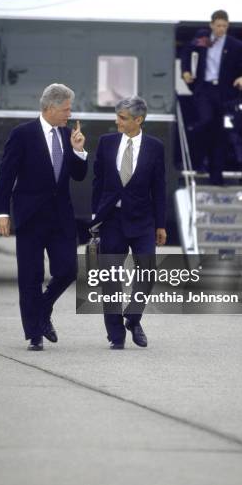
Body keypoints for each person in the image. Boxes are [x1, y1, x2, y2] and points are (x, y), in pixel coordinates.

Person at [0, 83, 87, 351]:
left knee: (68, 269)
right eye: (66, 109)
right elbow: (6, 175)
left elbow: (78, 175)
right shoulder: (22, 134)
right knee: (30, 277)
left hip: (61, 218)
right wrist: (1, 211)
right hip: (30, 217)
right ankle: (34, 333)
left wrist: (79, 150)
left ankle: (43, 309)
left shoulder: (69, 134)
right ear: (50, 107)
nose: (69, 114)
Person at [92, 96, 167, 349]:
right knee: (111, 279)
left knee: (147, 273)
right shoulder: (106, 142)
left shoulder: (155, 147)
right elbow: (98, 182)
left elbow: (159, 188)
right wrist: (96, 216)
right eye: (117, 116)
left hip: (143, 221)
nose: (117, 121)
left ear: (139, 120)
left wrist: (161, 225)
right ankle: (116, 336)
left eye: (122, 118)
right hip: (111, 221)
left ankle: (133, 318)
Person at [181, 9, 242, 185]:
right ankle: (199, 160)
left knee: (220, 133)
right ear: (211, 25)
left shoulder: (236, 45)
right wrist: (186, 71)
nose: (221, 29)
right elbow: (185, 53)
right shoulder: (202, 39)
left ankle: (216, 175)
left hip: (224, 92)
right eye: (218, 25)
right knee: (205, 122)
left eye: (225, 26)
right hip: (204, 89)